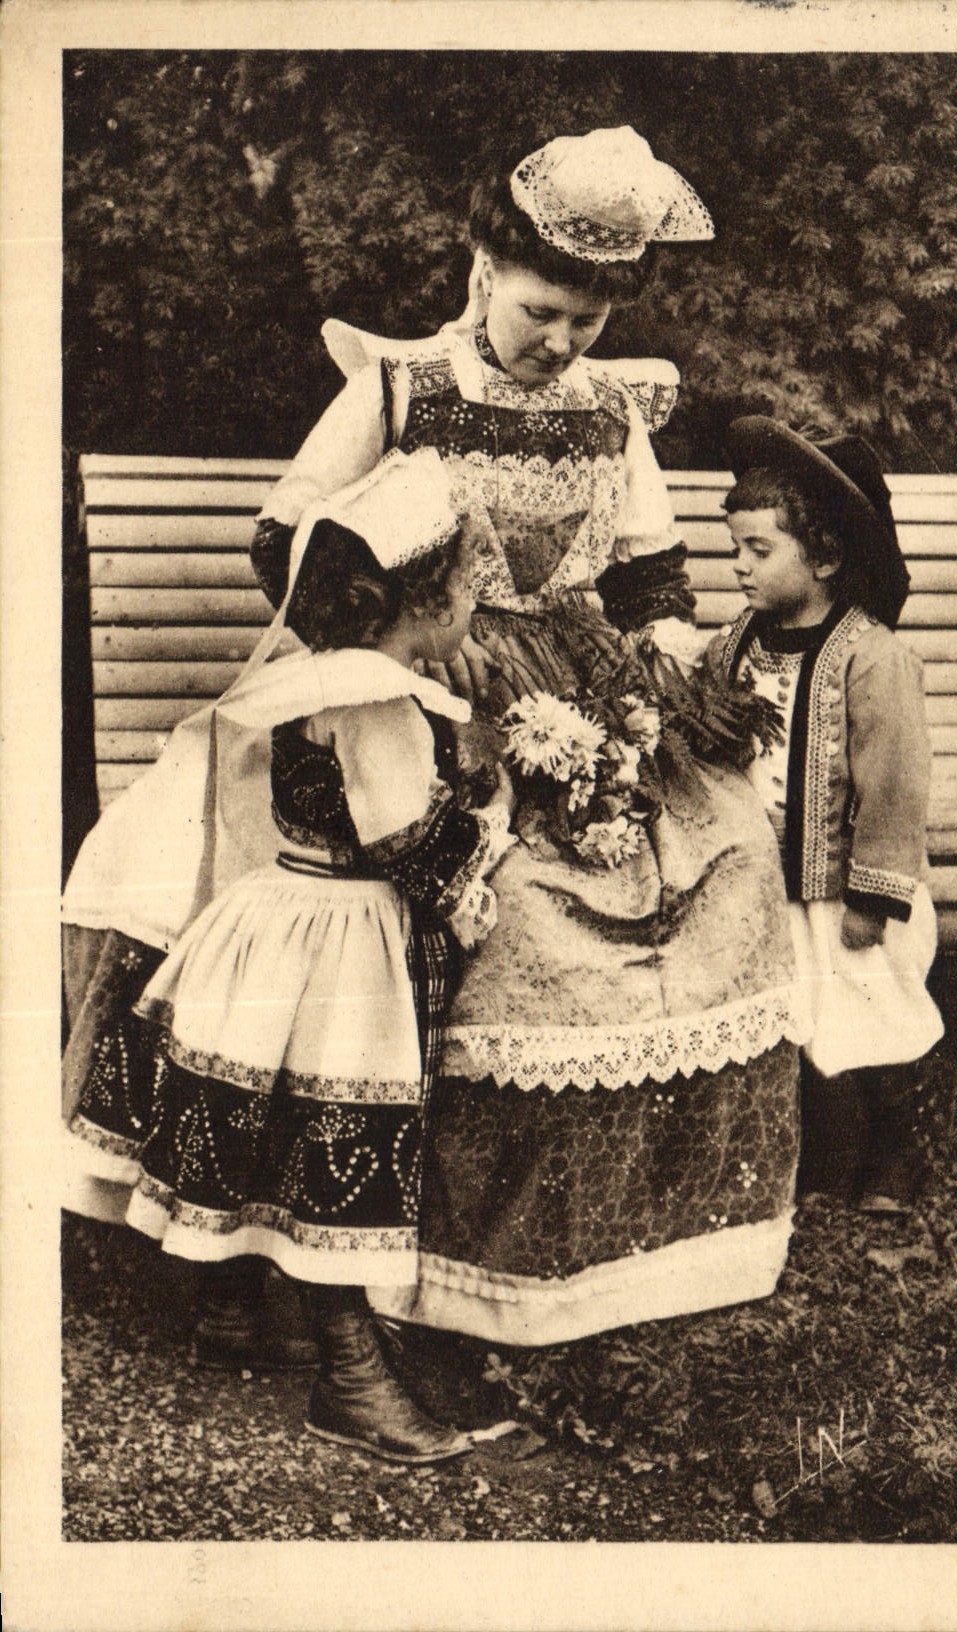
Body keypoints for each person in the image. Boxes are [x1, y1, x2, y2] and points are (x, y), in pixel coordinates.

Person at [248, 126, 807, 1350]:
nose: (558, 342)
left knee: (725, 866)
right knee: (516, 910)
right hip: (426, 685)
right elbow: (285, 538)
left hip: (584, 675)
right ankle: (455, 1266)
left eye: (584, 323)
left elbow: (650, 577)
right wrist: (400, 635)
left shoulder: (612, 410)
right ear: (482, 271)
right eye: (538, 311)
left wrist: (667, 670)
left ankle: (648, 1246)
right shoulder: (403, 384)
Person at [64, 449, 516, 1461]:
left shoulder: (304, 679)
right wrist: (490, 812)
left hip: (272, 919)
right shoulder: (381, 698)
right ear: (427, 602)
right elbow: (406, 841)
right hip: (341, 941)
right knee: (334, 1137)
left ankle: (233, 1311)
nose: (473, 614)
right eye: (468, 593)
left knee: (264, 1111)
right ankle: (351, 1379)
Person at [714, 416, 944, 1211]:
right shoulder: (737, 643)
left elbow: (894, 784)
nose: (738, 566)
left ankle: (896, 1152)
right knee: (807, 1018)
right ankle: (827, 1159)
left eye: (758, 550)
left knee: (868, 1009)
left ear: (824, 559)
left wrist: (871, 899)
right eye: (734, 548)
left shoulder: (870, 657)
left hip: (849, 890)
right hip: (771, 884)